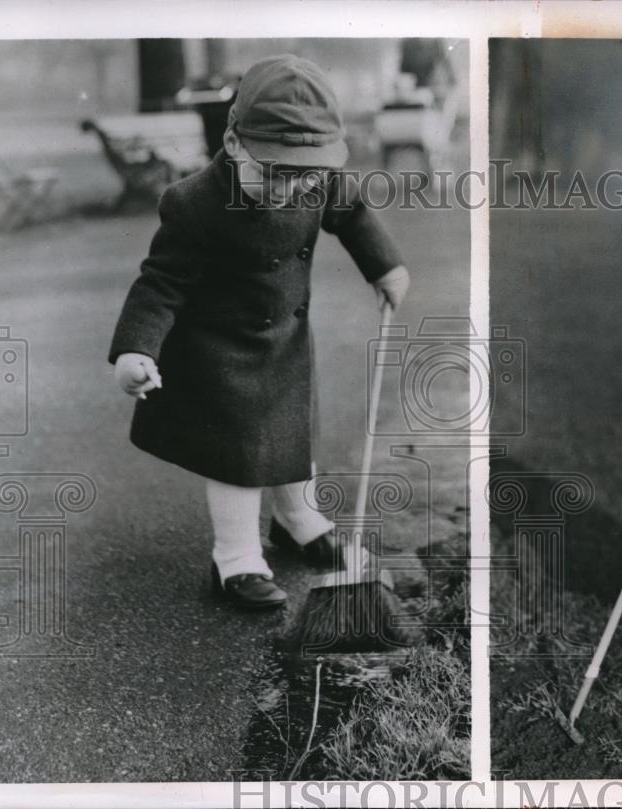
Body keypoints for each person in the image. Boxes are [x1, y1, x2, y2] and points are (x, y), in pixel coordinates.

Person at [108, 55, 410, 610]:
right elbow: (160, 283)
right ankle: (237, 558)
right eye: (275, 173)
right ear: (235, 141)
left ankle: (298, 519)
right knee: (239, 459)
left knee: (294, 436)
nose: (290, 190)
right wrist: (135, 349)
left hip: (286, 342)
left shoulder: (316, 182)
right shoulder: (195, 203)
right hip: (218, 353)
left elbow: (354, 213)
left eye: (306, 175)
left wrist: (384, 266)